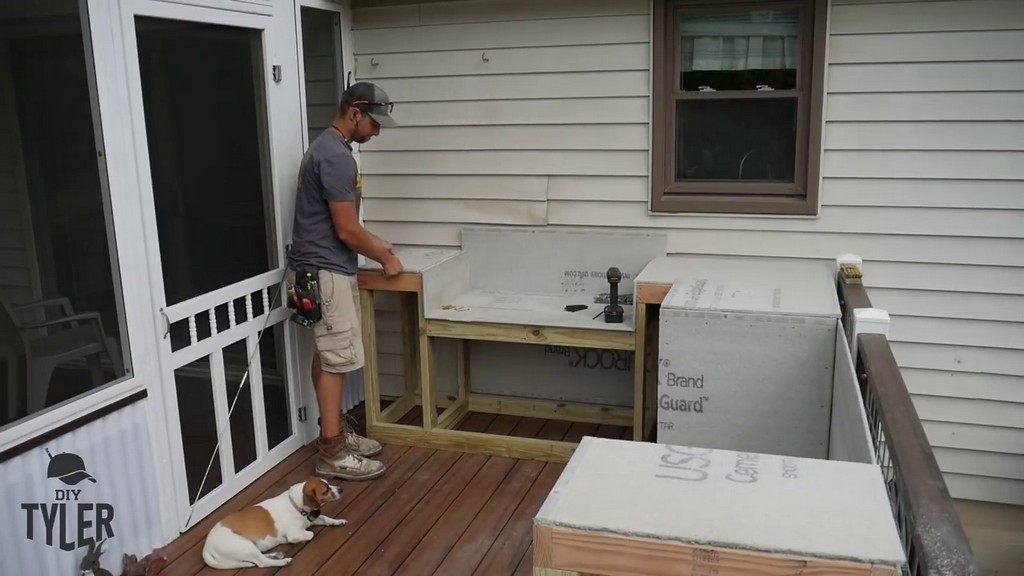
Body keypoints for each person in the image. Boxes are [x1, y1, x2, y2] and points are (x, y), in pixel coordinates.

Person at [286, 82, 403, 481]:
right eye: (374, 122)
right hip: (326, 271)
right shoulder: (335, 157)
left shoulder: (326, 149)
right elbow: (347, 231)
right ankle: (332, 454)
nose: (377, 131)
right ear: (354, 112)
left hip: (319, 269)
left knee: (327, 355)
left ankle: (332, 434)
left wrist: (376, 242)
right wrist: (384, 255)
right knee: (337, 360)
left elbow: (348, 229)